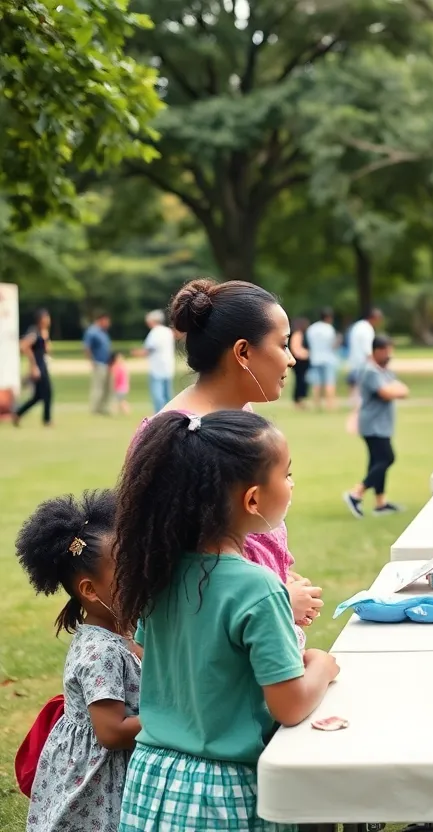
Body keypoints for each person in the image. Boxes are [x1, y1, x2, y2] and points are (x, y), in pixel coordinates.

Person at [113, 410, 341, 831]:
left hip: (151, 780)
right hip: (223, 792)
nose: (291, 484)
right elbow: (289, 705)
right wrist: (322, 667)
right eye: (286, 474)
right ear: (253, 499)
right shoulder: (258, 588)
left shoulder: (159, 569)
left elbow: (146, 647)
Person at [138, 278, 323, 632]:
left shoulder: (240, 414)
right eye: (282, 345)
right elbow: (179, 578)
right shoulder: (182, 438)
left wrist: (277, 577)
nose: (291, 358)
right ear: (243, 353)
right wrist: (277, 597)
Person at [16, 490, 142, 832]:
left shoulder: (129, 629)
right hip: (97, 776)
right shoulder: (100, 651)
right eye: (127, 570)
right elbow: (112, 732)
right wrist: (175, 719)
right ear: (89, 590)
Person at [344, 336, 410, 518]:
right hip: (372, 424)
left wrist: (397, 391)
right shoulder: (371, 371)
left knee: (377, 461)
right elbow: (387, 392)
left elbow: (403, 389)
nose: (390, 355)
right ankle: (356, 493)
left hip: (381, 424)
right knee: (387, 458)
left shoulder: (383, 371)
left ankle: (380, 503)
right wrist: (395, 391)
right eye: (388, 351)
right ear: (378, 351)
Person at [15, 308, 52, 427]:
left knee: (38, 396)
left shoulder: (43, 332)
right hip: (38, 365)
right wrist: (33, 365)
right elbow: (24, 346)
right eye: (46, 317)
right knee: (47, 392)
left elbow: (48, 350)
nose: (48, 320)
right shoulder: (34, 331)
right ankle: (47, 420)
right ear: (40, 319)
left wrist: (46, 337)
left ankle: (18, 413)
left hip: (43, 364)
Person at [137, 309, 176, 414]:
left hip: (157, 367)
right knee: (167, 394)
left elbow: (148, 349)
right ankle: (170, 414)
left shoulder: (154, 333)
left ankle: (159, 414)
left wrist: (136, 353)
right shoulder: (168, 331)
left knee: (157, 394)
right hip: (168, 366)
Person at [305, 308, 340, 411]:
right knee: (329, 383)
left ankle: (317, 405)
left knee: (317, 383)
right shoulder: (329, 329)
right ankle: (330, 405)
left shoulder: (312, 328)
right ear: (329, 317)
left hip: (315, 358)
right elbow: (333, 345)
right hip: (328, 358)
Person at [345, 307, 383, 396]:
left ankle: (354, 406)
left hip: (353, 360)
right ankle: (358, 408)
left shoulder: (357, 326)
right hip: (362, 363)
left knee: (354, 386)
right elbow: (368, 350)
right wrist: (376, 365)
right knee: (361, 387)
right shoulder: (367, 329)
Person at [82, 312, 113, 415]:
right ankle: (95, 408)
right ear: (101, 320)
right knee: (98, 387)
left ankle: (103, 407)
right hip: (98, 362)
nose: (108, 323)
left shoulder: (104, 332)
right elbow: (87, 347)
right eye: (106, 321)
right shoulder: (92, 332)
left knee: (106, 387)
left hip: (107, 363)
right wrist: (91, 361)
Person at [289, 316, 311, 410]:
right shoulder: (298, 334)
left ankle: (300, 400)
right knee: (300, 382)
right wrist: (308, 354)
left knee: (301, 382)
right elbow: (296, 349)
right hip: (300, 363)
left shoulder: (299, 333)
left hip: (302, 363)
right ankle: (298, 401)